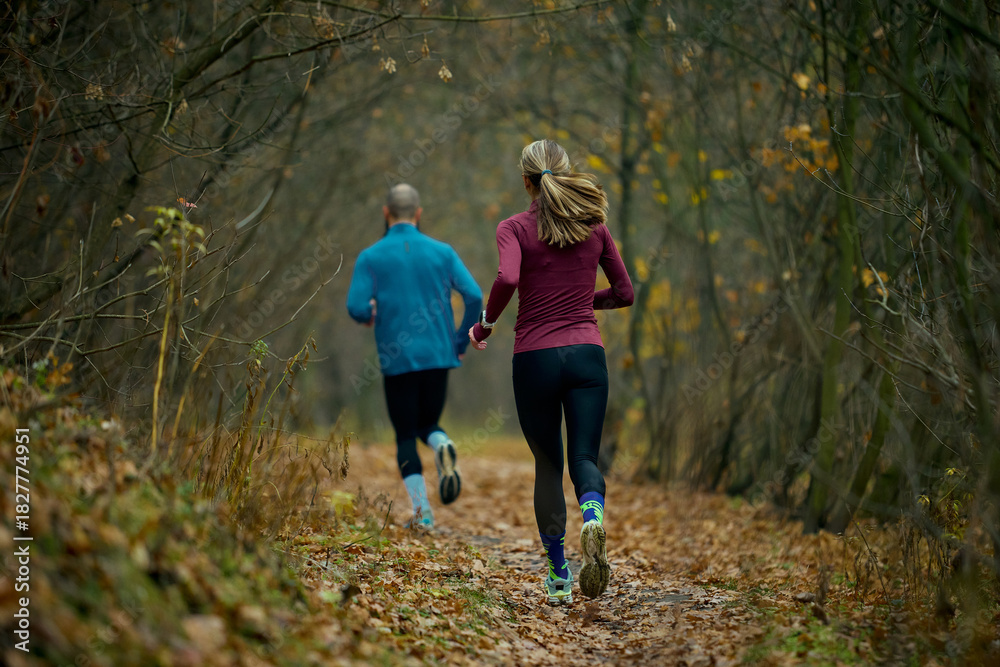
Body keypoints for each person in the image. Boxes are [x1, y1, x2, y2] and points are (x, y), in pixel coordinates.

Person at [468, 139, 634, 605]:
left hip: (535, 357)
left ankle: (560, 574)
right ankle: (593, 517)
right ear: (565, 173)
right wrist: (585, 303)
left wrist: (486, 324)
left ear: (526, 181)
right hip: (587, 354)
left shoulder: (514, 228)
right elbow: (624, 292)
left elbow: (507, 279)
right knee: (585, 458)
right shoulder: (595, 227)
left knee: (547, 464)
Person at [347, 183, 482, 529]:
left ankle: (423, 515)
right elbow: (474, 296)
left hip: (398, 359)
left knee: (405, 435)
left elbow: (355, 306)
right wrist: (459, 341)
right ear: (419, 214)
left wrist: (370, 313)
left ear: (385, 213)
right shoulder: (443, 252)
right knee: (428, 425)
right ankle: (443, 443)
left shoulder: (371, 257)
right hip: (440, 355)